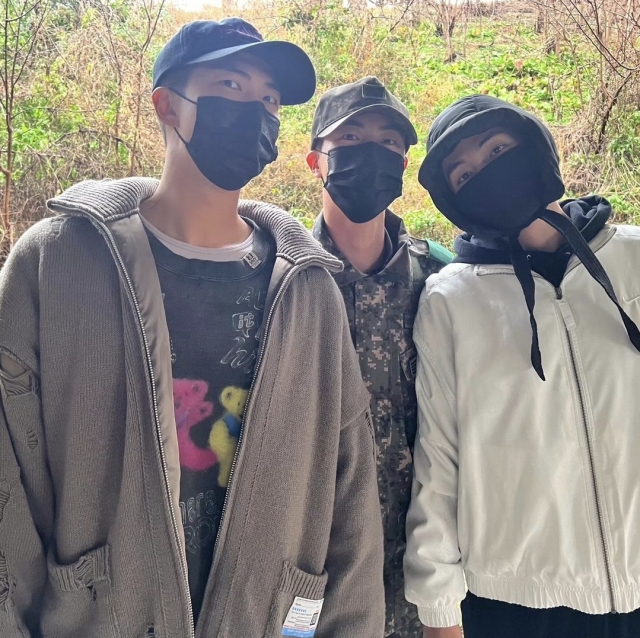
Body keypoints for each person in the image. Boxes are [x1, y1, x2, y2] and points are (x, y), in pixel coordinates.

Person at [0, 18, 385, 638]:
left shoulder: (309, 289)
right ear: (167, 106)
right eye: (230, 84)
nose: (255, 110)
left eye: (267, 99)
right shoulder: (57, 261)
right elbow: (8, 473)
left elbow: (348, 492)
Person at [403, 93, 640, 638]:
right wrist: (439, 612)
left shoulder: (631, 259)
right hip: (515, 603)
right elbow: (438, 460)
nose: (484, 172)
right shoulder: (451, 301)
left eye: (497, 150)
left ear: (535, 147)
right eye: (463, 174)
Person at [307, 76, 452, 638]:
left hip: (429, 580)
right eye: (352, 137)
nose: (373, 150)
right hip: (321, 578)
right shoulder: (285, 281)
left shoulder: (441, 280)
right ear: (315, 161)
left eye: (390, 142)